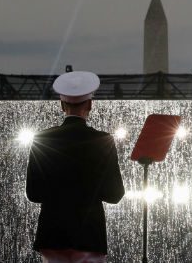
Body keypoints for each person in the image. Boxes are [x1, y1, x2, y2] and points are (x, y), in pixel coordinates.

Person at [26, 71, 125, 263]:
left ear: (62, 105)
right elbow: (115, 194)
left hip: (52, 235)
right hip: (90, 235)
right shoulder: (103, 141)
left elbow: (33, 193)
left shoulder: (42, 139)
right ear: (90, 104)